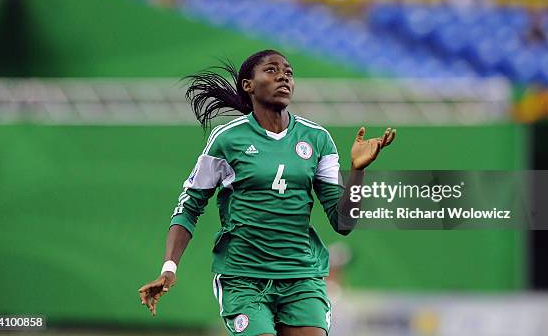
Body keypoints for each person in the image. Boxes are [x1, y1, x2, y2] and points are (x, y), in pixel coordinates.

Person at [138, 49, 396, 335]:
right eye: (271, 70)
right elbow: (189, 207)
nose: (283, 76)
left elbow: (344, 223)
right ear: (248, 85)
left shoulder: (317, 139)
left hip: (301, 277)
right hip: (243, 278)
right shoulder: (227, 139)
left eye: (288, 72)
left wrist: (358, 171)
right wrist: (169, 267)